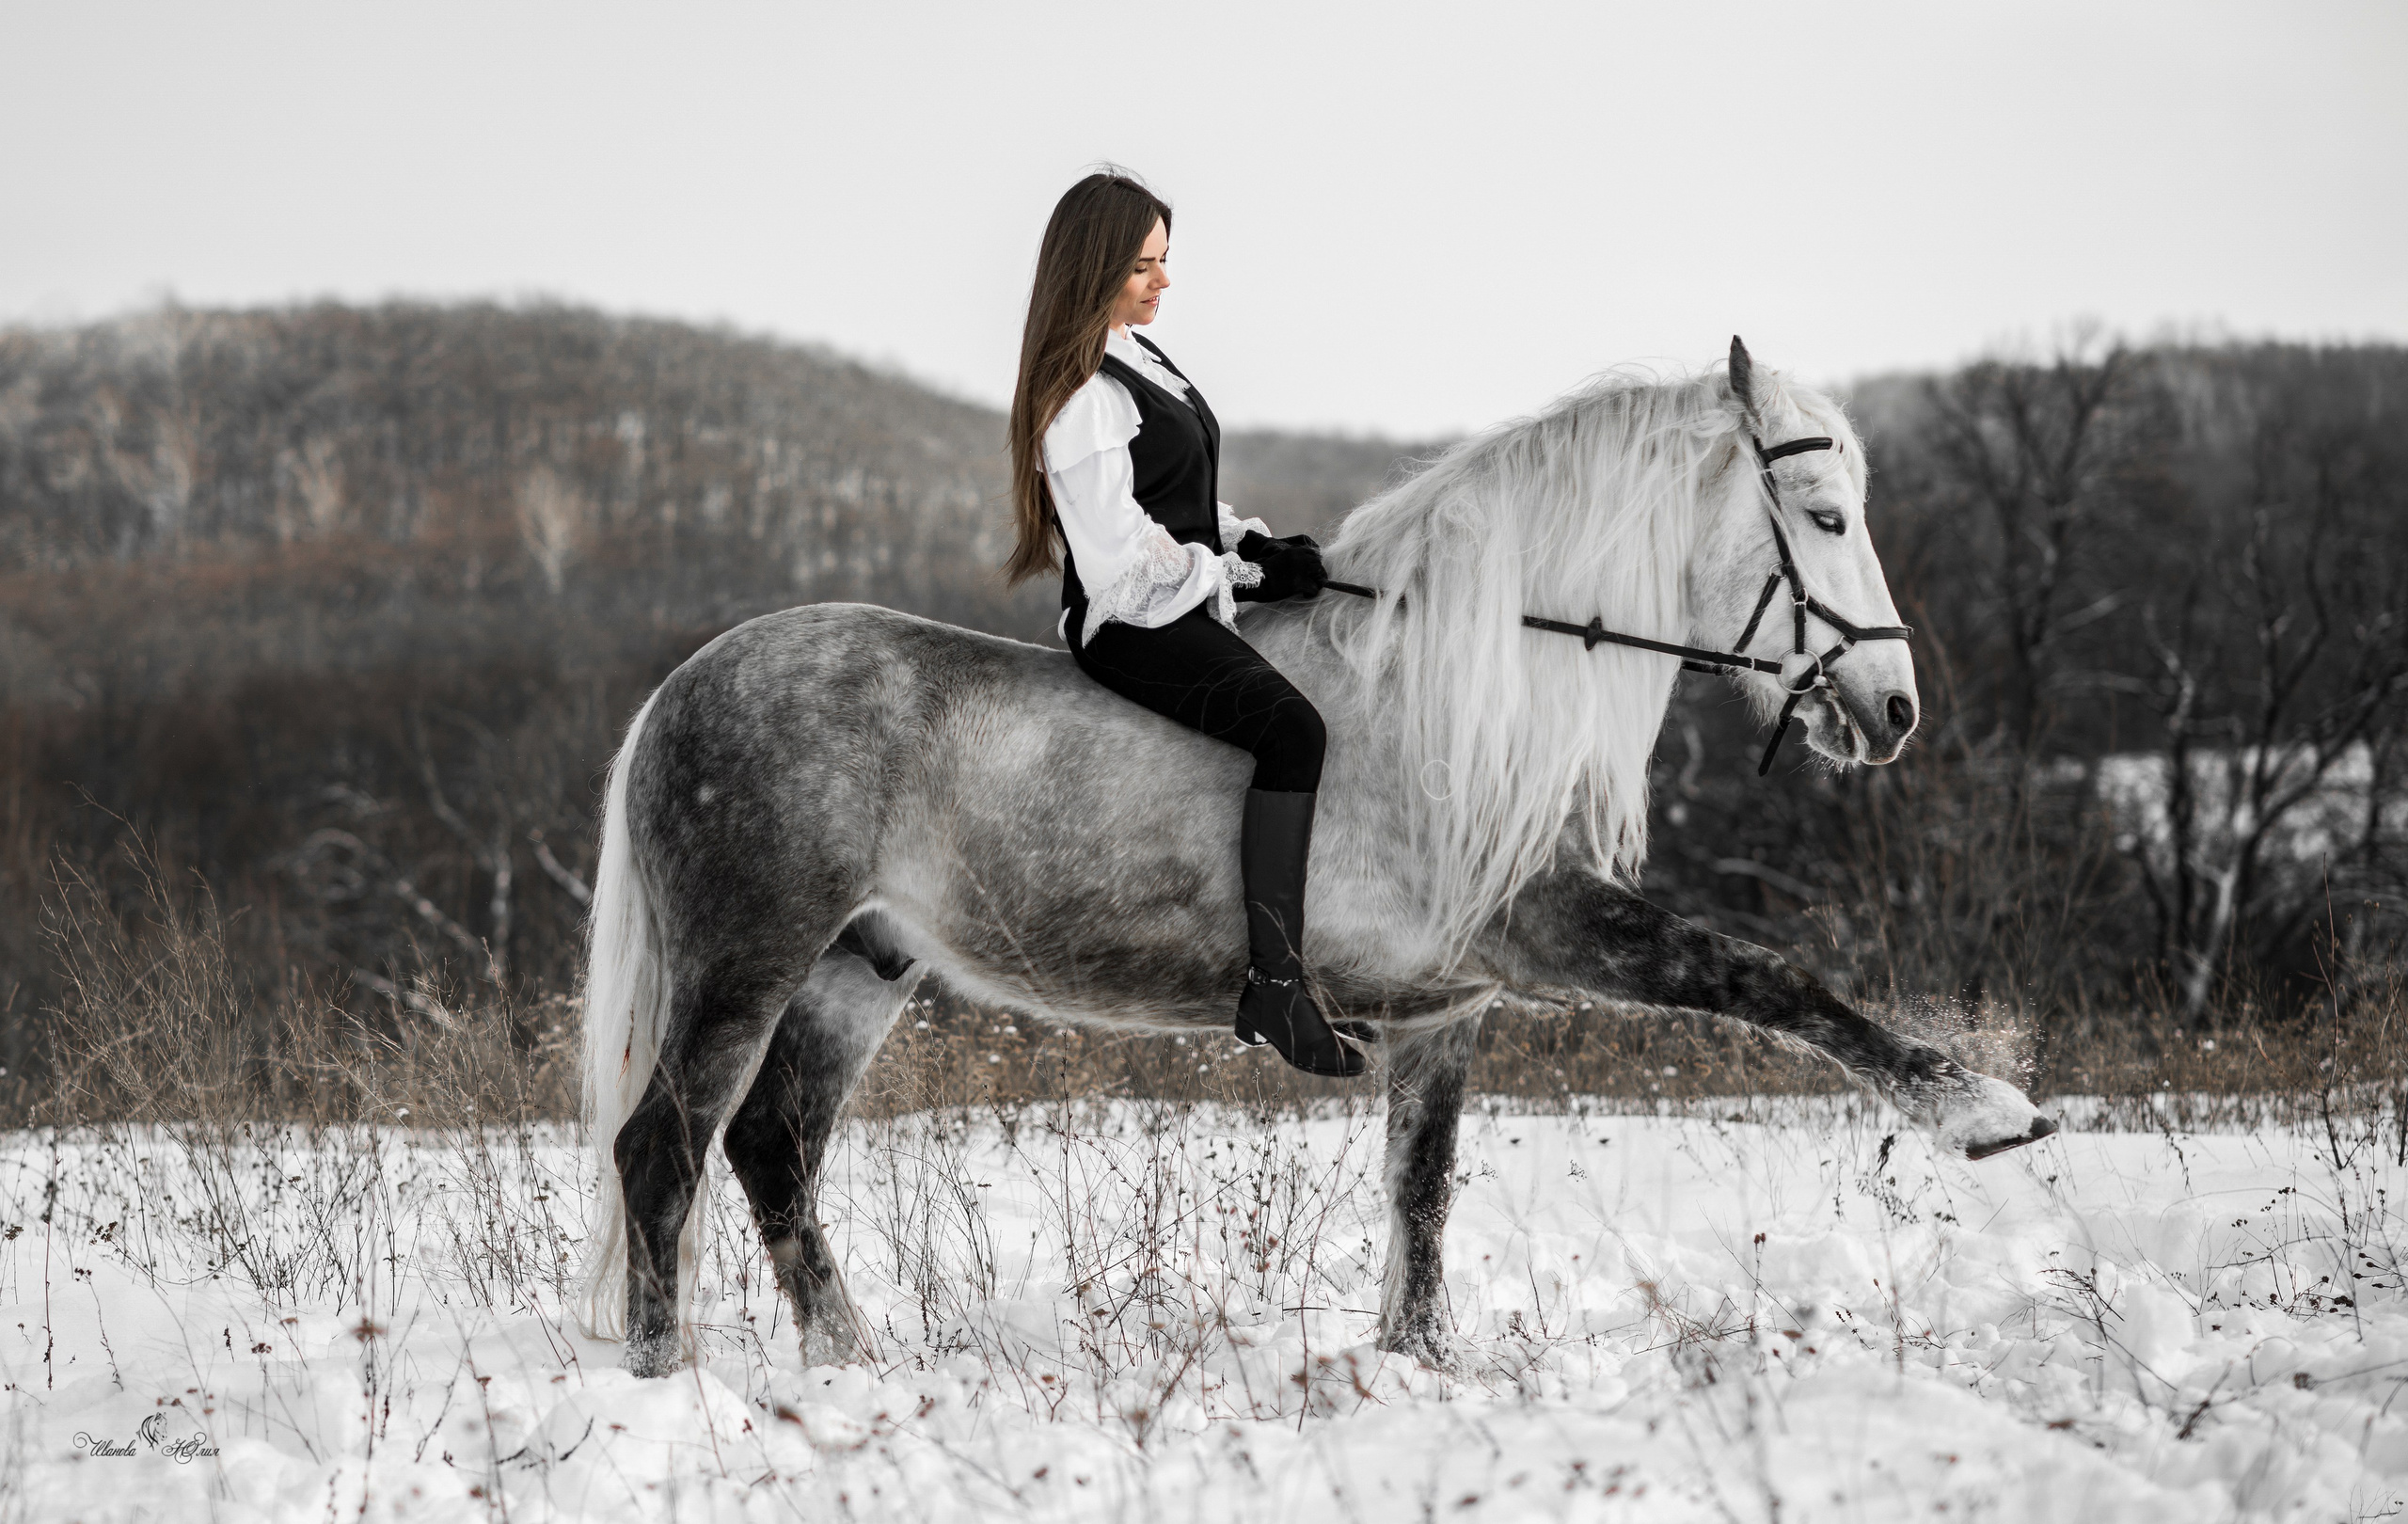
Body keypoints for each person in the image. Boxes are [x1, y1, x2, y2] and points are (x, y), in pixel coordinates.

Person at [1003, 170, 1362, 1079]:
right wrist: (1241, 573)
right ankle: (1276, 986)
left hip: (1177, 588)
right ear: (1092, 269)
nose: (1163, 283)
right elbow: (1122, 557)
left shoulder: (1137, 355)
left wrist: (1257, 543)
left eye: (1165, 262)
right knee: (1292, 730)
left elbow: (1179, 503)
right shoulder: (1080, 391)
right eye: (1141, 267)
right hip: (1131, 621)